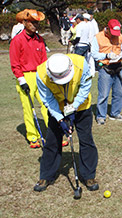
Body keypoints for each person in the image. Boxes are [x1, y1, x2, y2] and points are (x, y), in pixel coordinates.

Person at [34, 53, 99, 192]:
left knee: (86, 139)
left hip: (81, 106)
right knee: (52, 141)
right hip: (57, 107)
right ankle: (46, 175)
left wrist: (74, 107)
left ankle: (89, 175)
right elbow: (47, 99)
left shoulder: (81, 64)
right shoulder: (41, 73)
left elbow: (85, 87)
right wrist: (60, 119)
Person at [9, 9, 49, 149]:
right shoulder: (17, 40)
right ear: (25, 22)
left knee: (47, 105)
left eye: (36, 23)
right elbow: (15, 64)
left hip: (40, 75)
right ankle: (33, 136)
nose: (35, 25)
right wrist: (22, 80)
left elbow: (44, 60)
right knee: (29, 108)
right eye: (32, 22)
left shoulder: (40, 40)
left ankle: (53, 134)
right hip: (26, 76)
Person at [91, 19, 122, 125]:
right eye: (113, 33)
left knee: (119, 93)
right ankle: (101, 116)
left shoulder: (119, 36)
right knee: (103, 94)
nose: (115, 35)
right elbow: (94, 53)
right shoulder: (98, 37)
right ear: (107, 28)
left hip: (118, 66)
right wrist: (106, 55)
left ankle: (115, 113)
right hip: (105, 67)